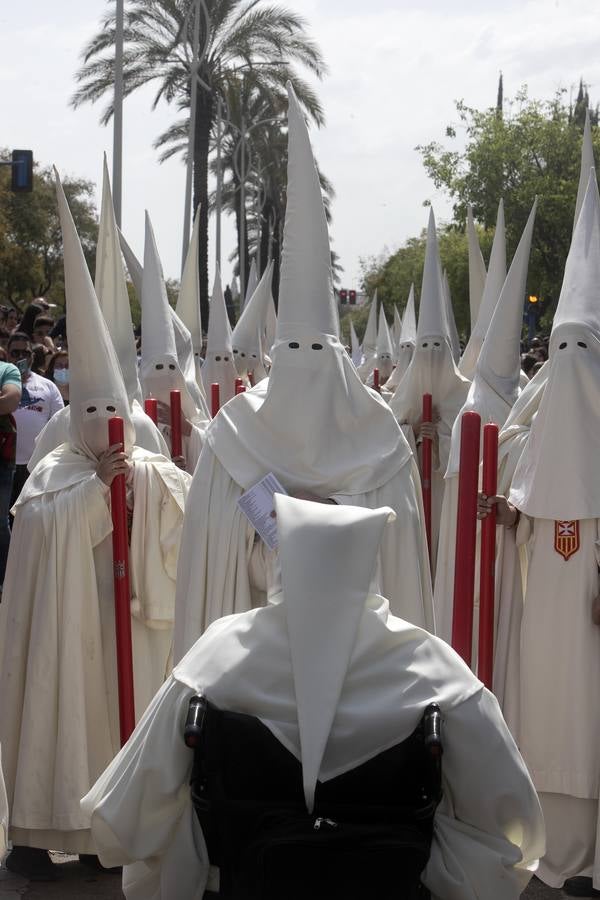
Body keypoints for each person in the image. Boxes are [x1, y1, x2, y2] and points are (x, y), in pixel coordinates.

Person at [82, 495, 544, 900]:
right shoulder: (434, 667)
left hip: (243, 880)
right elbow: (510, 817)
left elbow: (128, 806)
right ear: (369, 564)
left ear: (282, 561)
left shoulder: (218, 654)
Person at [173, 85, 433, 662]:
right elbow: (211, 562)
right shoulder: (235, 433)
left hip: (361, 660)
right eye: (292, 349)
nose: (304, 364)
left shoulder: (382, 440)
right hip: (254, 662)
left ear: (340, 354)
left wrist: (307, 518)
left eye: (315, 349)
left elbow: (402, 569)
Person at [0, 172, 192, 881]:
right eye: (87, 414)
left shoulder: (148, 463)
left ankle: (113, 831)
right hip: (65, 629)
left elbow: (179, 505)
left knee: (120, 718)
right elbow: (41, 535)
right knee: (61, 711)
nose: (101, 429)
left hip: (128, 621)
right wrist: (95, 493)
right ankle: (43, 826)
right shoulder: (52, 472)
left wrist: (134, 483)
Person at [479, 171, 600, 898]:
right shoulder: (533, 425)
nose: (569, 362)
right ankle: (547, 844)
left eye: (583, 345)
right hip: (543, 611)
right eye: (560, 347)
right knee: (546, 713)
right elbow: (522, 497)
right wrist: (507, 515)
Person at [7, 332, 64, 508]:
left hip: (36, 464)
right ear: (7, 355)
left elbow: (59, 424)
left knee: (31, 513)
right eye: (15, 353)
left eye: (25, 353)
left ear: (32, 356)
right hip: (5, 464)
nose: (20, 357)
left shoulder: (48, 386)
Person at [0, 359, 21, 586]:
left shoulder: (7, 370)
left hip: (2, 462)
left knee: (0, 522)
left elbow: (10, 401)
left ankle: (6, 582)